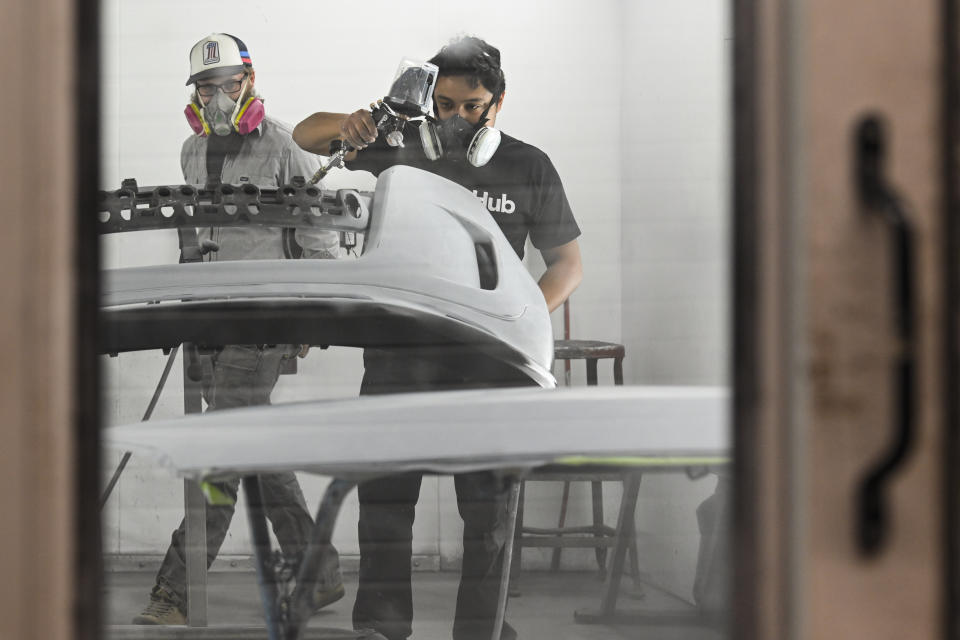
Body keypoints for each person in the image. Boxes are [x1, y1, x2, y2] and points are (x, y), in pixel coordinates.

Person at [293, 36, 583, 640]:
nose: (456, 119)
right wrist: (353, 121)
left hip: (492, 366)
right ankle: (381, 625)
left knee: (488, 514)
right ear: (431, 100)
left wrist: (521, 316)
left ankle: (480, 631)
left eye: (471, 107)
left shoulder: (530, 166)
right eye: (445, 105)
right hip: (401, 356)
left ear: (497, 105)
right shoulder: (397, 150)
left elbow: (567, 264)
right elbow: (305, 135)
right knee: (385, 504)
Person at [133, 33, 343, 625]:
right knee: (254, 444)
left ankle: (175, 591)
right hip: (211, 318)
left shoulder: (285, 146)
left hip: (266, 319)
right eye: (205, 86)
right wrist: (185, 299)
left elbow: (320, 235)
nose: (217, 96)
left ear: (248, 82)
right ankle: (318, 572)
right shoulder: (191, 151)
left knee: (220, 451)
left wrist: (310, 312)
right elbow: (192, 233)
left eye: (226, 84)